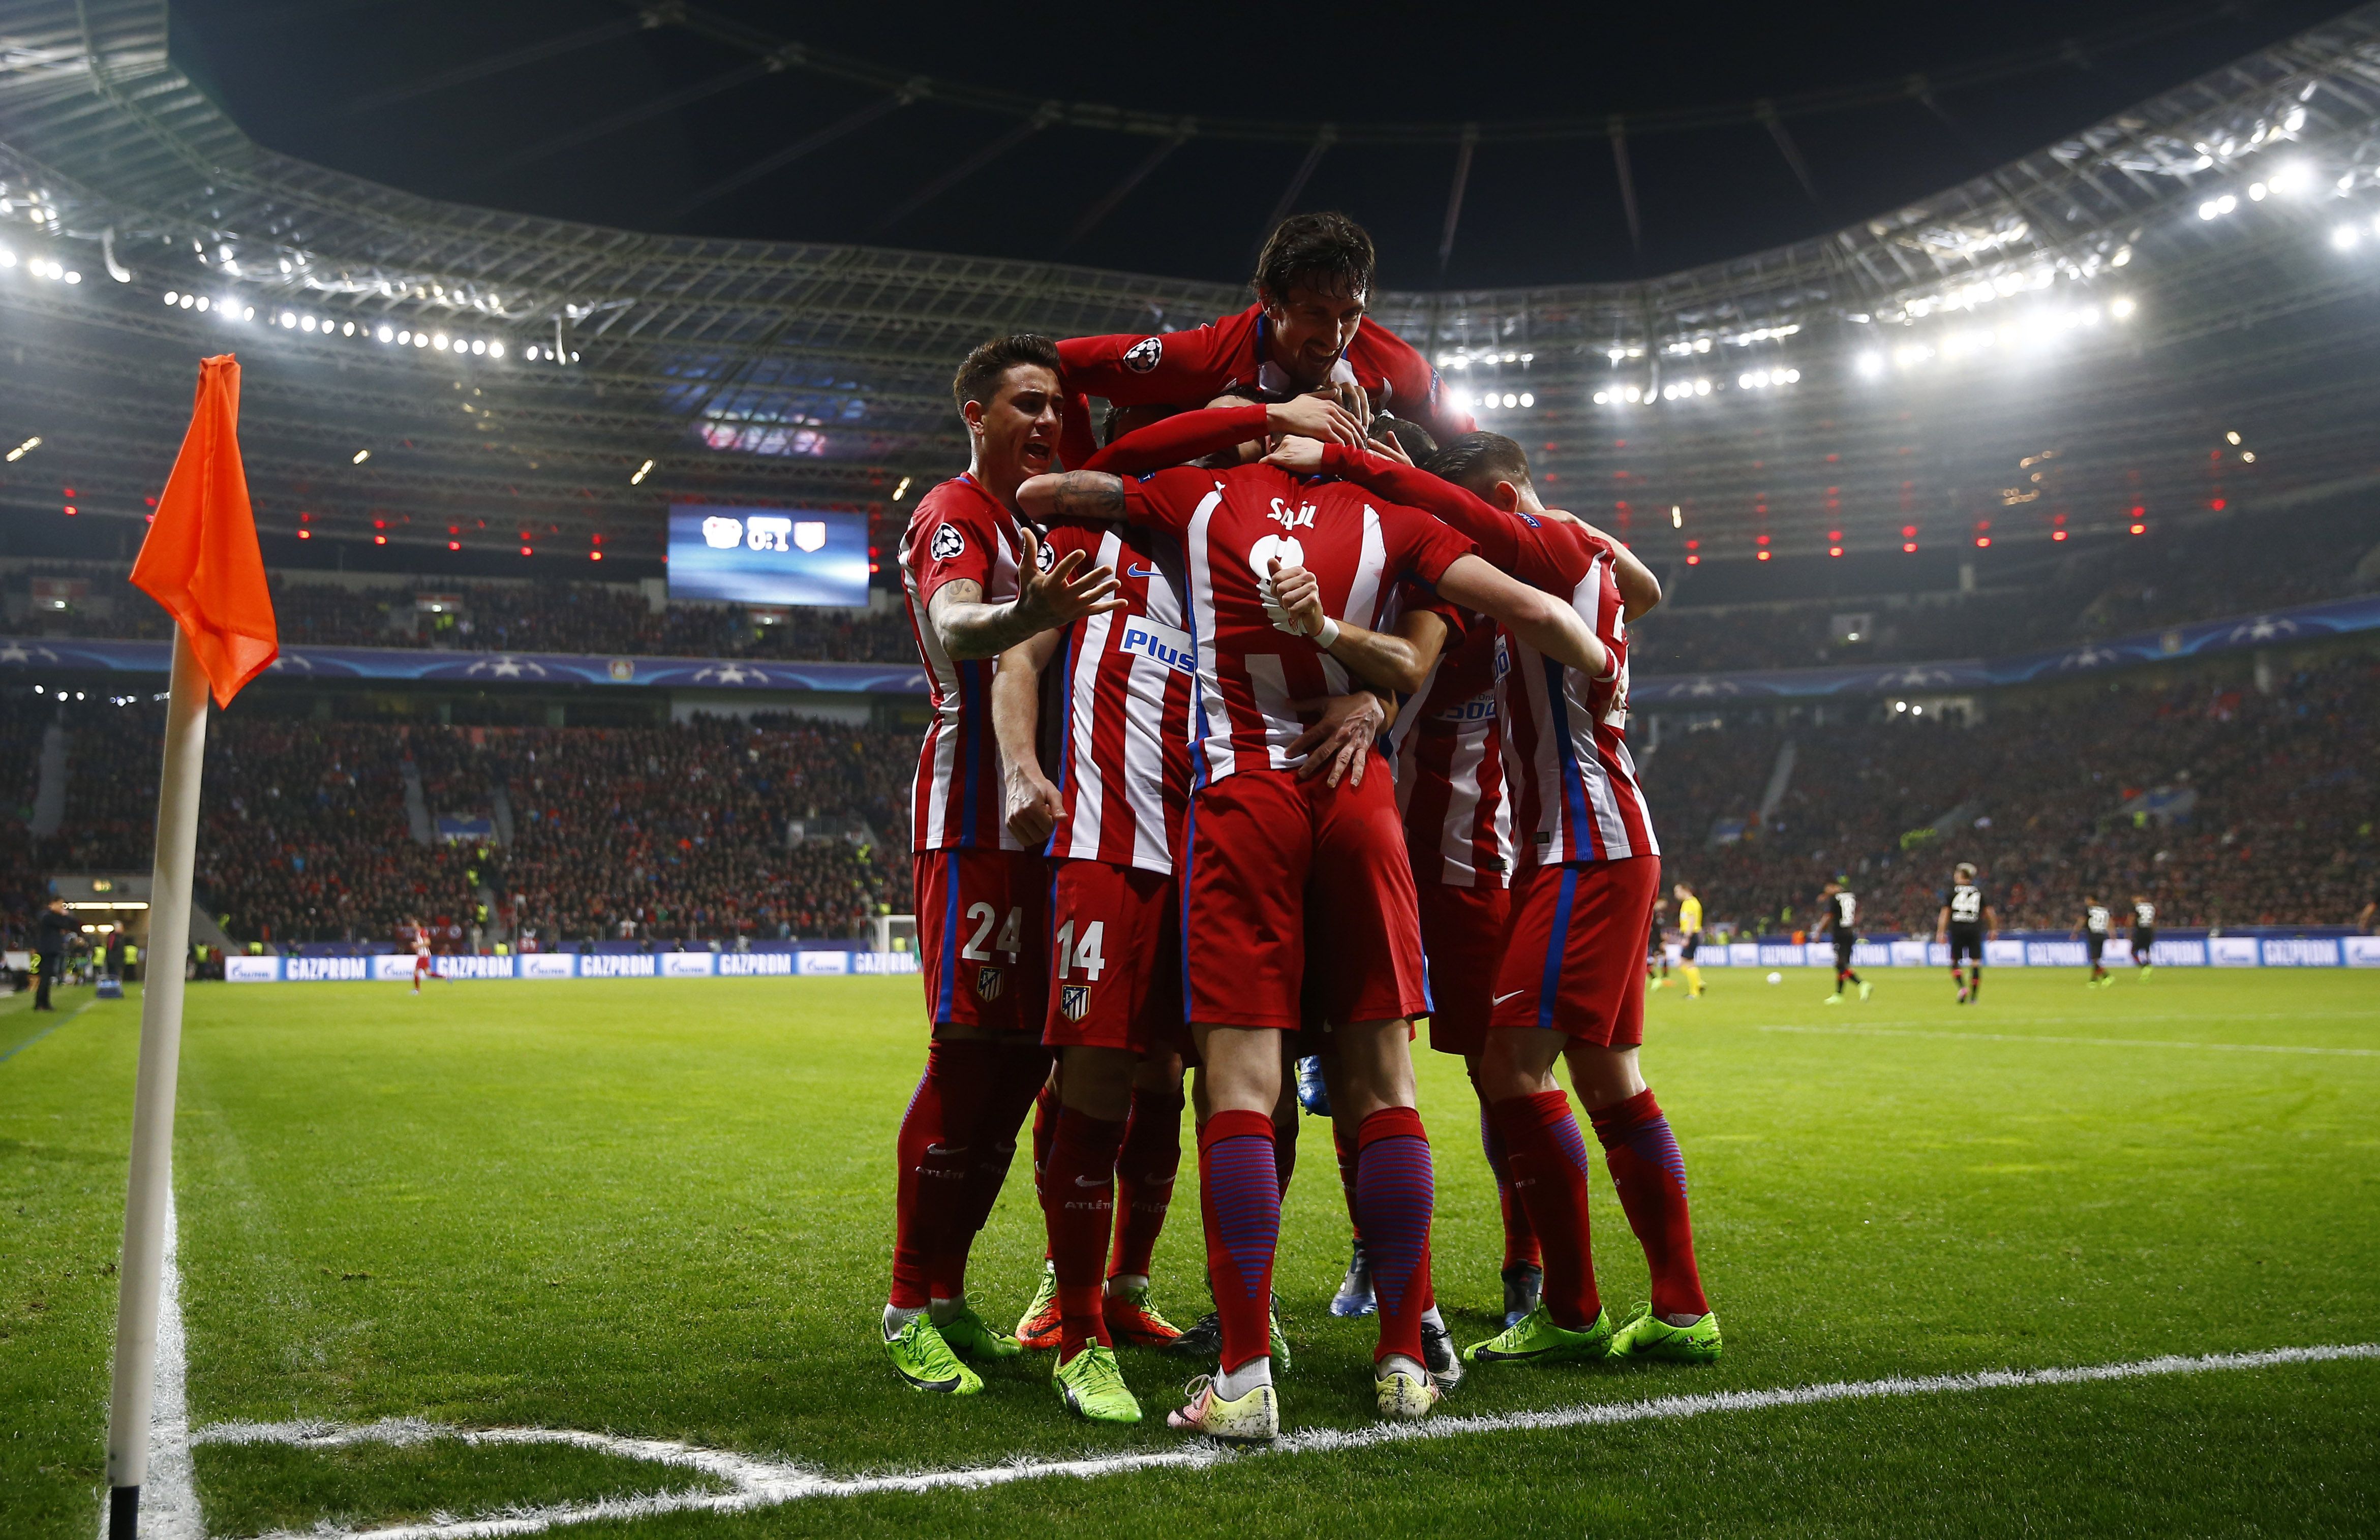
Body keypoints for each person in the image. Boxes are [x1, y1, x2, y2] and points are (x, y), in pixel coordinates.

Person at [1018, 425, 1609, 1437]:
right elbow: (1540, 609)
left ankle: (1245, 1378)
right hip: (1359, 800)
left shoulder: (1199, 497)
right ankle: (1404, 1361)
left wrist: (1228, 417)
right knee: (1385, 1086)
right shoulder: (1398, 516)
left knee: (1241, 1088)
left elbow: (1048, 495)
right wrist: (1596, 661)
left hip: (1244, 796)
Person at [1277, 429, 1718, 1374]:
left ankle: (1568, 1306)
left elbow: (1491, 534)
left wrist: (1356, 463)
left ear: (1510, 503)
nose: (1467, 536)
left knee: (1514, 1069)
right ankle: (1680, 1310)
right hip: (1594, 840)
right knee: (1610, 1080)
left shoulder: (1547, 546)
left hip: (1578, 846)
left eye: (1482, 514)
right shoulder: (1577, 552)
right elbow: (1639, 589)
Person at [991, 393, 1363, 1425]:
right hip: (1112, 846)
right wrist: (1021, 765)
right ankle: (1077, 1332)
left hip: (1234, 853)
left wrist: (1372, 696)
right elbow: (1020, 657)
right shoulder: (1093, 540)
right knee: (1096, 1077)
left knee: (1251, 1092)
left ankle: (1186, 1296)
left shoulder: (1253, 566)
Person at [879, 333, 1126, 1399]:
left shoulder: (1038, 524)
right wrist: (1029, 612)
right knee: (966, 1058)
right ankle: (904, 1308)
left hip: (1049, 828)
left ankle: (946, 1294)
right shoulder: (956, 511)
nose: (1048, 421)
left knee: (1025, 1065)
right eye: (1027, 404)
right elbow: (955, 622)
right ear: (974, 415)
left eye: (1057, 405)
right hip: (975, 818)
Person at [1052, 212, 1473, 465]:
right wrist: (1082, 471)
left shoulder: (1395, 367)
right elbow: (1055, 365)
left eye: (1351, 315)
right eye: (1315, 314)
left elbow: (1479, 456)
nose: (1335, 338)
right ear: (1270, 302)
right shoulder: (1209, 356)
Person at [1935, 864, 1997, 1005]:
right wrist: (1993, 930)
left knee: (1955, 961)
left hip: (1957, 929)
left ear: (1962, 875)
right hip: (1974, 929)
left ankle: (1963, 988)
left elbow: (1945, 914)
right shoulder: (1979, 892)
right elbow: (1990, 913)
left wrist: (1941, 932)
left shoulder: (1952, 892)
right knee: (1975, 963)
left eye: (1957, 874)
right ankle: (1974, 998)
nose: (1955, 876)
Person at [1821, 879, 1870, 1004]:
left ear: (1834, 886)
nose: (1827, 891)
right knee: (1841, 966)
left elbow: (1829, 916)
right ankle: (1839, 995)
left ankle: (1862, 984)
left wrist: (1818, 932)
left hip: (1839, 934)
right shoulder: (1850, 895)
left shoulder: (1834, 898)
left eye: (1828, 888)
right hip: (1849, 933)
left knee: (1840, 965)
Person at [34, 897, 72, 1011]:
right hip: (48, 950)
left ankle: (44, 1003)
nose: (61, 908)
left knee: (47, 977)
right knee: (45, 977)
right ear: (52, 904)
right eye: (60, 905)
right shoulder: (48, 917)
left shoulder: (50, 917)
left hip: (50, 950)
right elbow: (64, 924)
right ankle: (41, 1003)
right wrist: (64, 915)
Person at [1673, 882, 1707, 999]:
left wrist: (1686, 937)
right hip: (1693, 934)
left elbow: (1692, 920)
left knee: (1682, 964)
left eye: (1677, 891)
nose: (1676, 895)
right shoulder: (1694, 902)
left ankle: (1695, 991)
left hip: (1691, 934)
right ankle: (1698, 984)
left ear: (1685, 890)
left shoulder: (1689, 903)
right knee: (1690, 963)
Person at [2073, 896, 2114, 987]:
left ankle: (2107, 976)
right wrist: (2112, 935)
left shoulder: (2089, 910)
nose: (2087, 902)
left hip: (2093, 935)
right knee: (2096, 959)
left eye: (2088, 900)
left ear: (2093, 900)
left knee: (2094, 959)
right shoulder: (2105, 910)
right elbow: (2110, 923)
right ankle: (2094, 980)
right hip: (2102, 935)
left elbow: (2082, 921)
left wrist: (2076, 932)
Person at [2130, 893, 2157, 977]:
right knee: (2147, 950)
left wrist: (2129, 933)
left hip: (2140, 930)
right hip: (2149, 930)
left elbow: (2131, 920)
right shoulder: (2151, 907)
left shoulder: (2137, 907)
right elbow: (2153, 921)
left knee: (2133, 952)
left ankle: (2144, 966)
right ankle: (2148, 964)